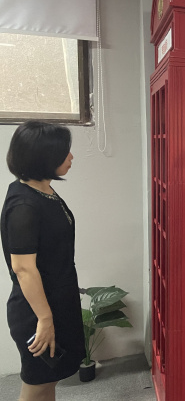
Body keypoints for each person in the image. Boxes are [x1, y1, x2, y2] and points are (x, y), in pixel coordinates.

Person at [1, 121, 85, 401]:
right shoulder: (24, 205)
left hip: (57, 302)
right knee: (36, 386)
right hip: (37, 311)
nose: (71, 157)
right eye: (64, 152)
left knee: (50, 380)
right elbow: (23, 269)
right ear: (43, 157)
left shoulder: (42, 189)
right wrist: (45, 319)